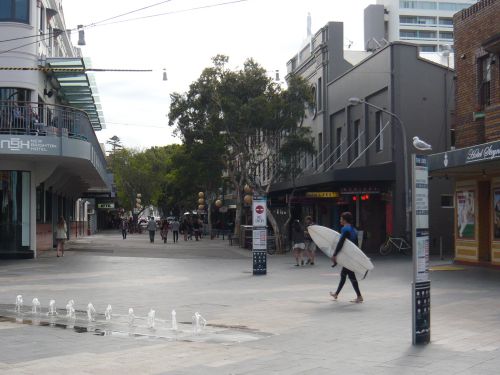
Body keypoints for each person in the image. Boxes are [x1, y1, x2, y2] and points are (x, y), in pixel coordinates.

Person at [330, 212, 363, 303]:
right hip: (352, 255)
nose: (340, 220)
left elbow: (341, 242)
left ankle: (359, 296)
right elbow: (356, 244)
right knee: (345, 275)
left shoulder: (345, 229)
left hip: (349, 256)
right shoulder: (353, 229)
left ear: (344, 220)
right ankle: (337, 294)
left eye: (341, 219)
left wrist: (335, 254)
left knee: (348, 275)